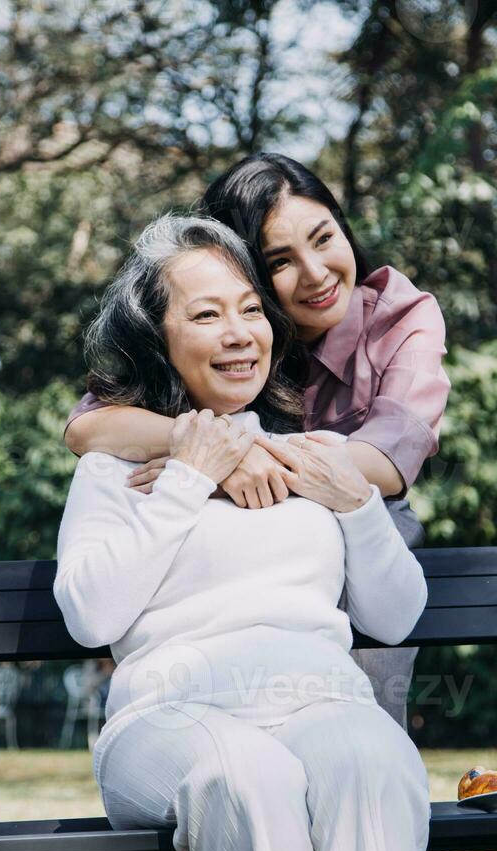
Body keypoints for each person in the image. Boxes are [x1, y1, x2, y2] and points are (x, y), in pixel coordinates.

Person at [53, 214, 431, 851]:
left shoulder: (315, 454)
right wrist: (190, 474)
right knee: (244, 775)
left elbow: (395, 615)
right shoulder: (120, 465)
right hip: (168, 722)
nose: (237, 334)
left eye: (250, 309)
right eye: (205, 314)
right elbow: (89, 612)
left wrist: (355, 503)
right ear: (157, 340)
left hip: (321, 704)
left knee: (377, 761)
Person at [64, 152, 450, 730]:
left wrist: (247, 459)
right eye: (281, 261)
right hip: (243, 560)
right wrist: (214, 450)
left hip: (369, 528)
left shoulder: (400, 317)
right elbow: (89, 427)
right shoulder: (235, 327)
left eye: (324, 239)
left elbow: (386, 463)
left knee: (359, 735)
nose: (316, 273)